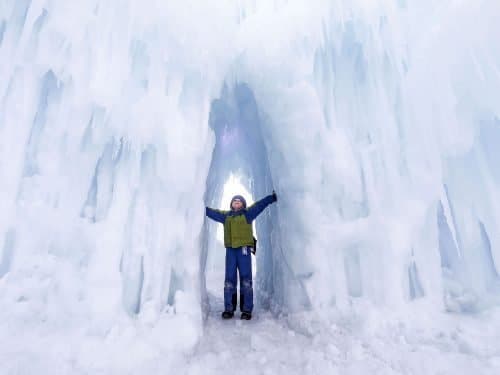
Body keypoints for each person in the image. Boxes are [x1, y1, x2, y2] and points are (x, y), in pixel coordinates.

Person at [205, 191, 277, 320]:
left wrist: (271, 198)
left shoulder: (248, 214)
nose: (236, 202)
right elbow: (214, 213)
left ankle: (246, 309)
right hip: (231, 251)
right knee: (229, 280)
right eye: (234, 201)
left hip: (243, 250)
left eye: (239, 201)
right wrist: (201, 208)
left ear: (243, 204)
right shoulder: (226, 216)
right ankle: (229, 308)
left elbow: (259, 205)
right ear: (231, 204)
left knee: (246, 280)